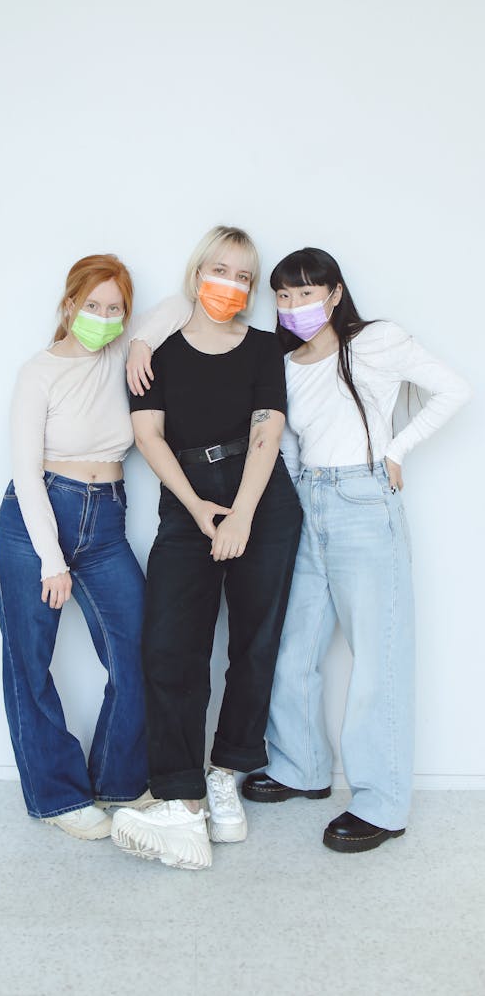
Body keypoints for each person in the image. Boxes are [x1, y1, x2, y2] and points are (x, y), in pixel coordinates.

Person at [242, 247, 472, 852]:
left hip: (364, 502)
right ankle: (301, 767)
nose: (294, 306)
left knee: (379, 657)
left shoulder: (376, 342)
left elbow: (452, 390)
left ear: (335, 293)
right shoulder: (287, 363)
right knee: (295, 645)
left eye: (305, 293)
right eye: (283, 297)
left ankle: (381, 803)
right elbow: (288, 441)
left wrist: (397, 450)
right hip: (310, 502)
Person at [111, 227, 303, 870]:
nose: (231, 283)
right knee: (171, 646)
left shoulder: (265, 349)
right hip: (186, 495)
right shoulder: (153, 354)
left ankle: (226, 775)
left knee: (255, 642)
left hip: (261, 498)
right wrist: (200, 511)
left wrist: (241, 514)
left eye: (244, 275)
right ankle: (181, 800)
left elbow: (266, 431)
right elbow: (149, 437)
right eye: (220, 269)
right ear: (197, 274)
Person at [0, 254, 191, 840]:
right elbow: (25, 473)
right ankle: (57, 799)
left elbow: (181, 303)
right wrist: (51, 559)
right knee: (29, 662)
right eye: (93, 305)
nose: (104, 317)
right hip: (36, 521)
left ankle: (119, 784)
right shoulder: (39, 371)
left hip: (106, 525)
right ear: (69, 304)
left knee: (138, 651)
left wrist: (140, 343)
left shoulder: (118, 359)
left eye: (116, 308)